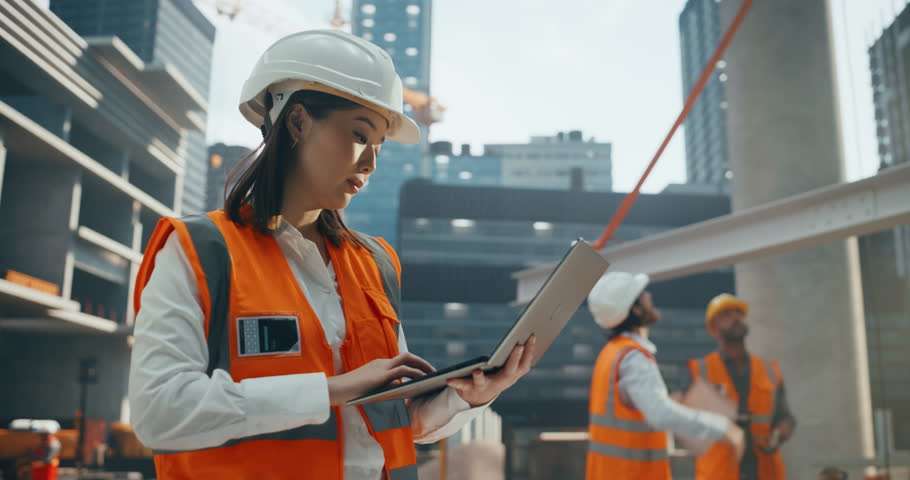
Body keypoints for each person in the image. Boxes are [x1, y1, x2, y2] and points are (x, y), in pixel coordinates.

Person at [128, 29, 535, 480]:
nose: (371, 163)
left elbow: (393, 421)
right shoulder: (199, 251)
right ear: (298, 122)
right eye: (360, 135)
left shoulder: (374, 264)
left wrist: (471, 395)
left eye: (379, 145)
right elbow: (158, 412)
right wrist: (331, 390)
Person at [585, 272, 744, 479]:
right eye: (643, 295)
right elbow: (660, 413)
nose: (649, 297)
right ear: (635, 308)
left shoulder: (610, 354)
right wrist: (722, 427)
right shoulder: (634, 358)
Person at [684, 293, 797, 480]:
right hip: (719, 472)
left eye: (738, 313)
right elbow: (687, 426)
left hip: (764, 471)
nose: (736, 317)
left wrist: (779, 433)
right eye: (727, 315)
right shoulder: (700, 371)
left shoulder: (768, 370)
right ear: (714, 328)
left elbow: (786, 418)